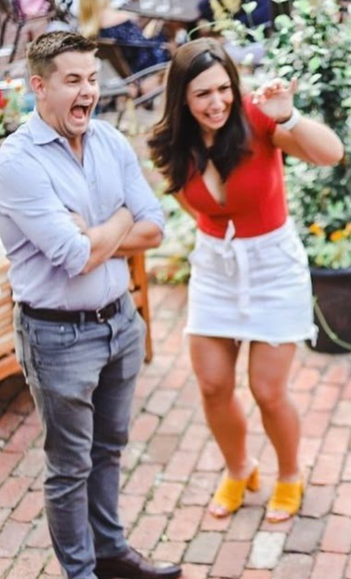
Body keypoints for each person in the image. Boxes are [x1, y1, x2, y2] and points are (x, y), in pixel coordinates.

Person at [0, 31, 174, 579]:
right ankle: (81, 574)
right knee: (69, 466)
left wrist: (100, 231)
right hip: (57, 338)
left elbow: (155, 229)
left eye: (93, 79)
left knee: (109, 448)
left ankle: (111, 552)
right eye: (73, 80)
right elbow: (74, 258)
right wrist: (121, 220)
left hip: (120, 322)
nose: (88, 92)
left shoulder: (110, 141)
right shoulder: (16, 162)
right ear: (39, 87)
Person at [148, 39, 344, 522]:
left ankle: (290, 474)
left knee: (267, 390)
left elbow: (331, 154)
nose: (217, 102)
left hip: (273, 265)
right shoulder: (171, 144)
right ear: (182, 99)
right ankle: (239, 469)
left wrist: (288, 116)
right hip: (215, 267)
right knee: (213, 384)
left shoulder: (258, 118)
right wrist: (218, 242)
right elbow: (193, 206)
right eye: (202, 94)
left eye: (224, 89)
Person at [79, 0, 169, 74]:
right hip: (145, 70)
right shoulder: (121, 18)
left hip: (122, 74)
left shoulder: (89, 27)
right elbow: (141, 47)